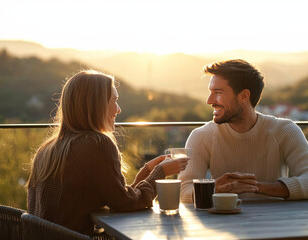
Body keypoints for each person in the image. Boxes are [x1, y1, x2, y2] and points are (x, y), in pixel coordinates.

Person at [26, 70, 189, 236]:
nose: (118, 110)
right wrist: (160, 173)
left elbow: (118, 197)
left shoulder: (47, 150)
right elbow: (125, 204)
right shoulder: (96, 144)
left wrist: (147, 171)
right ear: (97, 105)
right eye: (115, 101)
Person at [179, 59, 308, 203]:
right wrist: (214, 189)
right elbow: (182, 191)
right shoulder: (202, 136)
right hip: (223, 225)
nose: (209, 101)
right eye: (210, 92)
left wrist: (257, 187)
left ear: (244, 96)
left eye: (218, 93)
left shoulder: (284, 131)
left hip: (279, 227)